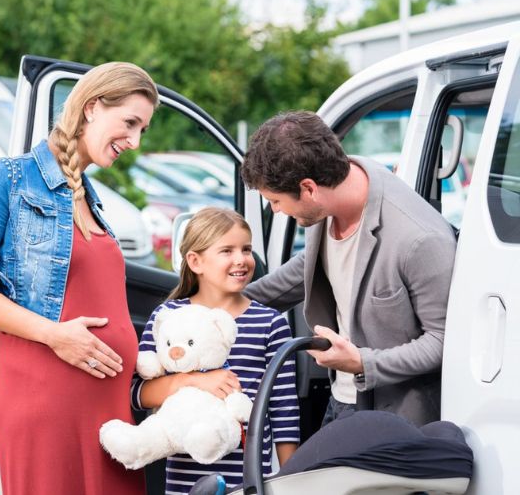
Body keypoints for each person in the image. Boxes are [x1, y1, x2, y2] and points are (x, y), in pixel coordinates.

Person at [0, 62, 158, 495]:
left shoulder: (89, 196)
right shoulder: (10, 179)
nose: (134, 141)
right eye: (129, 123)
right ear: (93, 107)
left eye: (142, 131)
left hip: (108, 412)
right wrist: (56, 335)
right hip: (46, 405)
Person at [241, 110, 456, 427]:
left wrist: (362, 362)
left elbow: (443, 341)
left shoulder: (419, 239)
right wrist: (228, 303)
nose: (276, 210)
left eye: (275, 201)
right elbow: (316, 262)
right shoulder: (328, 199)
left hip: (394, 419)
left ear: (309, 189)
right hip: (340, 399)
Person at [131, 207, 300, 494]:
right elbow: (138, 396)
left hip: (250, 478)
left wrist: (292, 481)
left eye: (246, 249)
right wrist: (194, 380)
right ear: (195, 261)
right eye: (227, 251)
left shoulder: (270, 323)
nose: (242, 260)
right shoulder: (167, 318)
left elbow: (284, 411)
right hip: (185, 479)